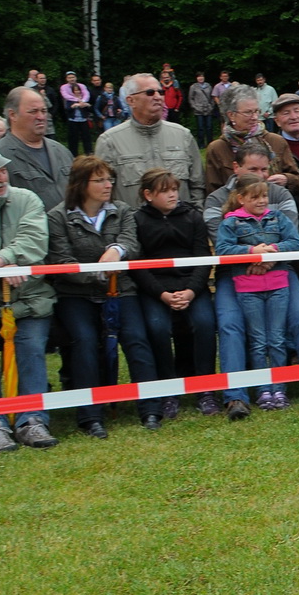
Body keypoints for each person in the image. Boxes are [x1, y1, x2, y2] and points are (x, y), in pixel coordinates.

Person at [46, 156, 162, 436]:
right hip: (76, 294)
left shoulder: (122, 210)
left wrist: (116, 251)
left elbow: (131, 243)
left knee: (136, 338)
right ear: (80, 184)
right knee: (84, 341)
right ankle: (90, 416)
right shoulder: (57, 216)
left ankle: (151, 408)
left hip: (121, 290)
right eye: (99, 180)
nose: (107, 184)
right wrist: (99, 273)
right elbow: (61, 262)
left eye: (109, 178)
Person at [0, 143, 58, 451]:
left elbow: (34, 243)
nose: (1, 177)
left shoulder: (26, 199)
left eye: (3, 169)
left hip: (29, 298)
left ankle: (32, 420)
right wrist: (0, 266)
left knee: (31, 349)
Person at [132, 168, 219, 416]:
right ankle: (168, 390)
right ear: (147, 195)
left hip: (192, 286)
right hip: (155, 291)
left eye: (174, 190)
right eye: (165, 191)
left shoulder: (193, 216)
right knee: (157, 328)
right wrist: (162, 295)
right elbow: (138, 266)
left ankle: (206, 389)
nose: (173, 195)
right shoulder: (137, 221)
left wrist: (191, 291)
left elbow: (203, 258)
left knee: (205, 323)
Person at [211, 174, 299, 411]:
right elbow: (223, 249)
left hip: (278, 284)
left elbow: (295, 242)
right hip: (247, 288)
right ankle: (262, 390)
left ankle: (279, 389)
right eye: (255, 197)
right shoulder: (230, 223)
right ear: (241, 199)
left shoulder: (277, 217)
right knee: (259, 341)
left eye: (264, 196)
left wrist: (272, 250)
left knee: (278, 339)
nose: (262, 201)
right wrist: (252, 251)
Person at [96, 74, 207, 210]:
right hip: (133, 228)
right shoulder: (110, 141)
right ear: (131, 101)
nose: (157, 97)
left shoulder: (183, 136)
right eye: (149, 93)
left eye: (160, 92)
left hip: (180, 227)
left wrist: (195, 216)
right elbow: (101, 194)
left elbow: (198, 185)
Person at [204, 83, 299, 204]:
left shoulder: (275, 141)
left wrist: (286, 179)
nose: (254, 117)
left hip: (274, 214)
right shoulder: (217, 148)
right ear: (231, 115)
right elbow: (213, 192)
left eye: (256, 111)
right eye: (248, 112)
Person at [0, 88, 73, 212]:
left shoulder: (61, 151)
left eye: (43, 111)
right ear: (12, 115)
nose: (41, 117)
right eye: (33, 112)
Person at [59, 72, 94, 156]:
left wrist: (85, 103)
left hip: (83, 119)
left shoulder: (82, 88)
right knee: (73, 138)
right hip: (73, 120)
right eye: (70, 77)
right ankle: (73, 154)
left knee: (86, 137)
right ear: (67, 79)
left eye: (73, 77)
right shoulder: (66, 92)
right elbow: (67, 107)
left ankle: (89, 152)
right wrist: (75, 104)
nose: (72, 79)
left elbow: (89, 105)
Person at [188, 73, 217, 144]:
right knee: (200, 128)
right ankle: (201, 143)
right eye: (199, 77)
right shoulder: (193, 87)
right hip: (198, 109)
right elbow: (190, 98)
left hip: (208, 109)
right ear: (196, 78)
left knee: (209, 127)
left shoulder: (208, 86)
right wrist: (194, 107)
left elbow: (212, 97)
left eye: (202, 76)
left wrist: (211, 106)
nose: (200, 78)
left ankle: (210, 142)